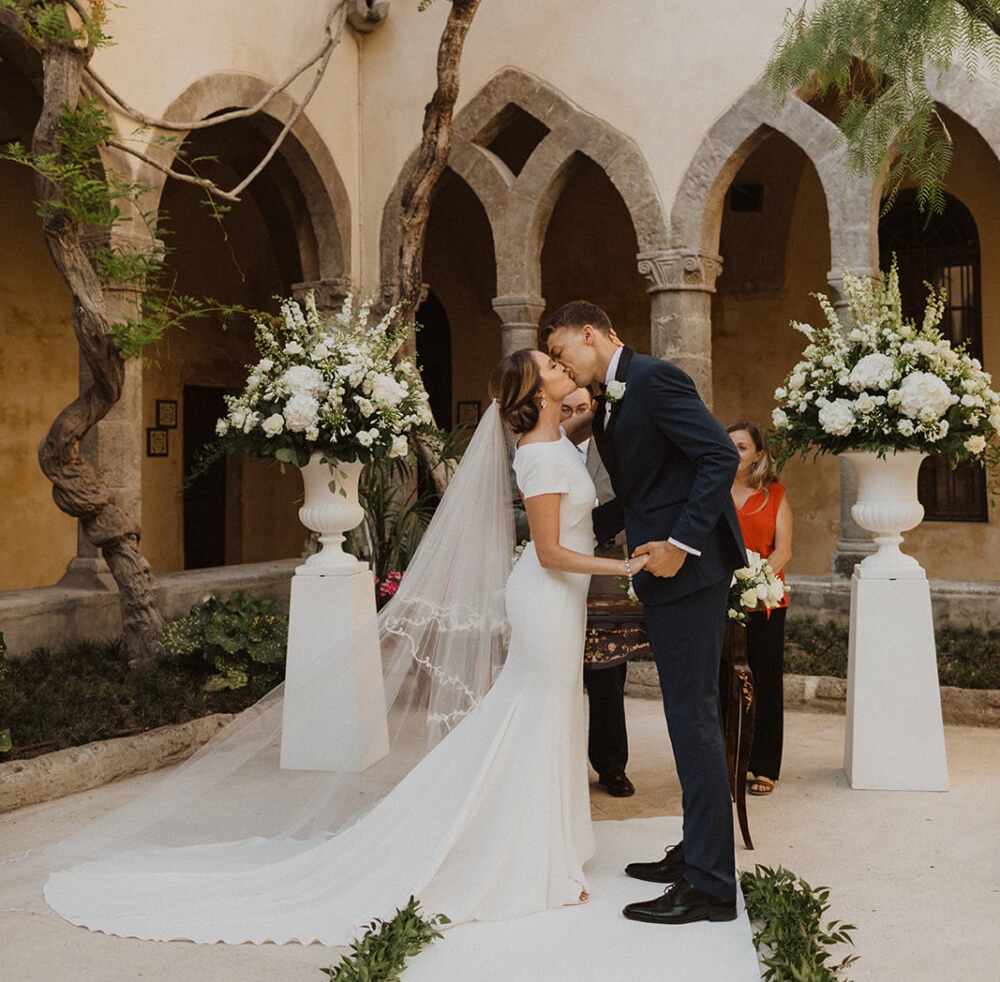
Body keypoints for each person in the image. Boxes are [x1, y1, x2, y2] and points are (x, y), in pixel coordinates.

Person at [41, 349, 647, 946]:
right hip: (546, 597)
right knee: (534, 717)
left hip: (561, 601)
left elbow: (575, 435)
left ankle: (551, 845)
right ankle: (524, 855)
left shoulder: (552, 440)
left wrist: (610, 404)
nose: (565, 368)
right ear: (538, 394)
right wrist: (624, 566)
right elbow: (548, 552)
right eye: (553, 367)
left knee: (550, 714)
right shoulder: (539, 458)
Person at [544, 302, 746, 927]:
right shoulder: (608, 399)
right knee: (688, 719)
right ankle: (696, 855)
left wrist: (680, 546)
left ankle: (711, 887)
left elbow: (719, 456)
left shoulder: (654, 378)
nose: (558, 365)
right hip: (663, 570)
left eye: (560, 353)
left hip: (688, 570)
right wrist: (564, 536)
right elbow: (640, 494)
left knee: (693, 721)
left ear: (590, 333)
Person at [561, 385, 636, 798]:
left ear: (593, 410)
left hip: (607, 569)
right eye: (566, 407)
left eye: (581, 407)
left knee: (608, 674)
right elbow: (513, 513)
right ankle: (560, 765)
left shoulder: (613, 450)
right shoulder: (542, 451)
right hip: (553, 571)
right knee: (558, 671)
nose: (574, 414)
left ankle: (611, 767)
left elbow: (634, 502)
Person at [728, 420, 793, 796]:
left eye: (741, 447)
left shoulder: (776, 495)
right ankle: (728, 760)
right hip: (720, 598)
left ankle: (764, 766)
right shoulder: (712, 491)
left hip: (766, 599)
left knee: (764, 680)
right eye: (728, 446)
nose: (733, 452)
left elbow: (783, 550)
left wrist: (751, 582)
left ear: (757, 455)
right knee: (724, 681)